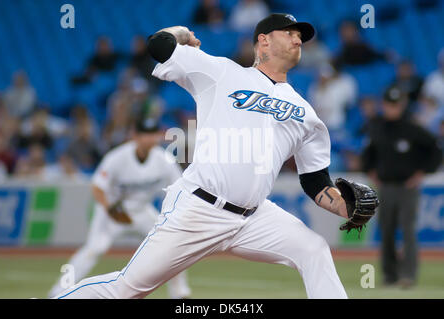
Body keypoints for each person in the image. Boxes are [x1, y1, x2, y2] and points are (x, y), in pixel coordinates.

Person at [55, 13, 375, 299]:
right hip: (199, 208)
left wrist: (343, 206)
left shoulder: (306, 113)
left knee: (314, 250)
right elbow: (158, 45)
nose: (297, 38)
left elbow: (315, 180)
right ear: (263, 41)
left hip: (254, 217)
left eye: (300, 35)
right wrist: (181, 33)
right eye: (289, 32)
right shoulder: (221, 72)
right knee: (127, 289)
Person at [49, 116, 191, 299]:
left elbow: (179, 188)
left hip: (141, 211)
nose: (149, 138)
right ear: (135, 136)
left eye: (152, 134)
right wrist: (109, 209)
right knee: (93, 249)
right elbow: (98, 187)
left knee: (170, 242)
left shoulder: (164, 159)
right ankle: (58, 291)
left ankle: (180, 294)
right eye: (144, 134)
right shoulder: (117, 157)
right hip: (113, 212)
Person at [361, 86, 442, 288]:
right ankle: (389, 275)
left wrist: (422, 172)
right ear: (384, 105)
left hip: (407, 187)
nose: (392, 109)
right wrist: (370, 171)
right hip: (386, 186)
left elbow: (435, 148)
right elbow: (367, 153)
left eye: (395, 105)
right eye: (389, 104)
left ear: (402, 105)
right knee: (386, 231)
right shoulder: (377, 128)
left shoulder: (412, 128)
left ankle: (408, 275)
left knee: (408, 231)